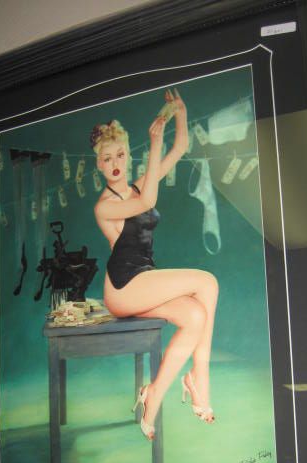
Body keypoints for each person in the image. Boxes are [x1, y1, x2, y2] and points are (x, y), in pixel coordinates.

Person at [91, 89, 219, 440]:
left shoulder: (137, 186)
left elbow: (180, 148)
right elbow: (148, 200)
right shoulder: (104, 206)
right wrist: (155, 142)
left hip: (143, 279)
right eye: (107, 158)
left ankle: (154, 395)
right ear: (98, 164)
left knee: (195, 316)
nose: (115, 162)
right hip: (122, 287)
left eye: (120, 154)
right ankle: (200, 380)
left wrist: (181, 113)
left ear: (127, 154)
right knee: (207, 282)